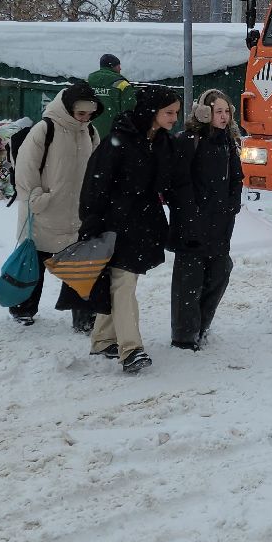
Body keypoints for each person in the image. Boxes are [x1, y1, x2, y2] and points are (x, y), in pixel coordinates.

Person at [79, 83, 181, 372]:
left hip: (143, 225)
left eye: (176, 112)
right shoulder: (118, 141)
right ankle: (131, 349)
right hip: (113, 224)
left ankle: (102, 339)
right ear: (152, 111)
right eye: (169, 112)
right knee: (123, 283)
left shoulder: (161, 141)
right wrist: (91, 222)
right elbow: (94, 186)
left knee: (122, 281)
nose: (174, 118)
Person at [8, 82, 104, 330]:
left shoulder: (90, 133)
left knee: (79, 267)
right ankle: (24, 308)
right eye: (80, 113)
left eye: (89, 114)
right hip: (45, 209)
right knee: (35, 261)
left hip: (77, 212)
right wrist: (36, 198)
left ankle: (83, 316)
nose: (84, 118)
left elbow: (96, 169)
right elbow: (26, 168)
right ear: (68, 107)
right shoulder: (45, 129)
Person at [167, 89, 242, 349]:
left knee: (219, 273)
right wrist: (191, 213)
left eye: (227, 111)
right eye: (218, 111)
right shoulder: (189, 140)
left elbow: (237, 178)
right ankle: (184, 337)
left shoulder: (229, 142)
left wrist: (232, 205)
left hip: (220, 225)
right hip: (192, 226)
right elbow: (177, 184)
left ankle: (201, 326)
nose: (223, 116)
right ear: (204, 112)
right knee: (189, 281)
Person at [87, 53, 132, 138]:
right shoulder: (122, 84)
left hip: (90, 133)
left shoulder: (88, 82)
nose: (120, 68)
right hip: (113, 134)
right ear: (113, 67)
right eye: (119, 66)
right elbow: (130, 107)